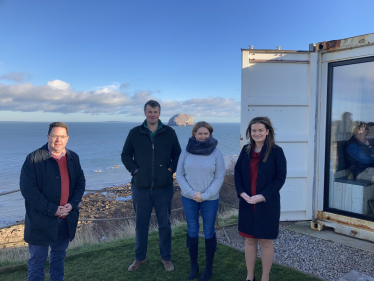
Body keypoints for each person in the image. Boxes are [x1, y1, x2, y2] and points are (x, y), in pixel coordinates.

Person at [20, 122, 86, 281]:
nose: (58, 140)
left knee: (58, 257)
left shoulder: (73, 157)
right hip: (40, 221)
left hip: (65, 219)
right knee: (37, 261)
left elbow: (80, 182)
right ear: (48, 136)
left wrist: (73, 203)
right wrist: (52, 209)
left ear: (67, 138)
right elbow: (28, 190)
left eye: (62, 136)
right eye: (55, 136)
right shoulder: (33, 159)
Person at [121, 100, 181, 272]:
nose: (152, 114)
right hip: (141, 187)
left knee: (165, 224)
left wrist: (170, 170)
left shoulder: (170, 132)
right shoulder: (134, 133)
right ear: (145, 113)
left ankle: (166, 258)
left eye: (155, 111)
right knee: (141, 224)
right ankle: (139, 258)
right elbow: (125, 155)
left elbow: (178, 154)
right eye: (149, 111)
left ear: (159, 113)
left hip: (164, 187)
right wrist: (134, 170)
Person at [234, 117, 286, 281]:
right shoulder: (245, 150)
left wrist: (263, 196)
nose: (257, 133)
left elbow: (280, 178)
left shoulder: (277, 152)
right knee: (249, 241)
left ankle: (265, 277)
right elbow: (237, 173)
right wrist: (241, 192)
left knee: (265, 242)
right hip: (247, 202)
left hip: (267, 204)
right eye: (253, 130)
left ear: (267, 132)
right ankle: (250, 277)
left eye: (260, 130)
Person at [176, 121, 225, 281]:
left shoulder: (216, 153)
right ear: (194, 134)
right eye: (200, 133)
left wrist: (204, 195)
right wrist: (191, 193)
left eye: (206, 133)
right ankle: (194, 266)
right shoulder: (186, 152)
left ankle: (208, 267)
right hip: (189, 198)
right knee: (192, 231)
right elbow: (180, 174)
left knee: (209, 231)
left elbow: (219, 177)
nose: (203, 136)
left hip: (210, 199)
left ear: (210, 134)